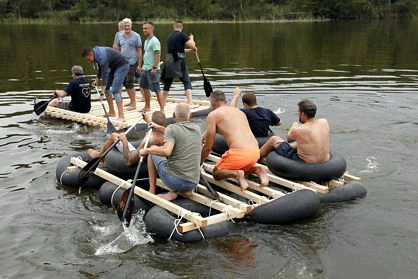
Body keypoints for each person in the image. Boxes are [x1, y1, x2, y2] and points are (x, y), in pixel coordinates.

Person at [201, 90, 269, 191]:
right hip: (255, 151)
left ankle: (236, 174)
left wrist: (199, 162)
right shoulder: (239, 111)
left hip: (240, 154)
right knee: (240, 164)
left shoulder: (213, 115)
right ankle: (258, 170)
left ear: (212, 104)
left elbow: (208, 147)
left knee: (217, 173)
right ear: (225, 101)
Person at [139, 102, 201, 201]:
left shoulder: (172, 129)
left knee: (153, 150)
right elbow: (176, 133)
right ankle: (175, 192)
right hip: (193, 183)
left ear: (173, 115)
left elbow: (166, 152)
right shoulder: (197, 128)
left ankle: (151, 190)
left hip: (175, 181)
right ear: (190, 116)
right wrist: (158, 127)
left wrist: (146, 150)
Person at [259, 99, 330, 163]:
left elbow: (289, 139)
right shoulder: (324, 122)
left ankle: (255, 158)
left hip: (305, 163)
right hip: (324, 160)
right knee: (297, 142)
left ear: (302, 114)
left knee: (274, 139)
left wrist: (294, 125)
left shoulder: (298, 129)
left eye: (298, 112)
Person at [87, 111, 167, 166]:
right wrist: (148, 120)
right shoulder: (167, 134)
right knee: (116, 135)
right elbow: (157, 128)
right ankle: (101, 156)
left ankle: (100, 157)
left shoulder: (150, 140)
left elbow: (129, 161)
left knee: (114, 135)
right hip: (141, 153)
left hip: (134, 157)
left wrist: (124, 141)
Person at [82, 46, 129, 122]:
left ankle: (121, 116)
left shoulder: (102, 57)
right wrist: (97, 80)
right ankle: (112, 112)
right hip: (113, 66)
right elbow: (101, 68)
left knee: (115, 90)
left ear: (91, 54)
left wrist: (102, 94)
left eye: (88, 59)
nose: (88, 61)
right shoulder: (96, 53)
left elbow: (105, 76)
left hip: (122, 65)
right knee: (107, 88)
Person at [162, 20, 197, 108]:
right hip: (179, 61)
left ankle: (163, 102)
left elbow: (179, 50)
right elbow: (192, 45)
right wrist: (191, 38)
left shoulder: (170, 36)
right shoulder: (182, 35)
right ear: (182, 27)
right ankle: (190, 103)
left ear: (174, 27)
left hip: (169, 60)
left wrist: (190, 51)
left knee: (168, 82)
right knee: (186, 80)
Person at [113, 18, 142, 111]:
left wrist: (139, 64)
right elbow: (116, 46)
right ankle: (131, 101)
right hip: (122, 62)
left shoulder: (136, 36)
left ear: (131, 26)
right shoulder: (120, 35)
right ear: (123, 26)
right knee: (125, 82)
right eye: (125, 26)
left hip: (133, 62)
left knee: (129, 81)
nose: (126, 27)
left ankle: (134, 104)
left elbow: (139, 50)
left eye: (128, 25)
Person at [138, 22, 165, 113]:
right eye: (143, 28)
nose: (144, 30)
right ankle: (147, 106)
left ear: (151, 29)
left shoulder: (155, 41)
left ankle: (162, 109)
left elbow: (157, 54)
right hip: (145, 69)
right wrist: (142, 66)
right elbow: (147, 55)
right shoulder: (146, 41)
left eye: (146, 28)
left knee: (157, 89)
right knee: (145, 88)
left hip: (152, 70)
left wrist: (154, 67)